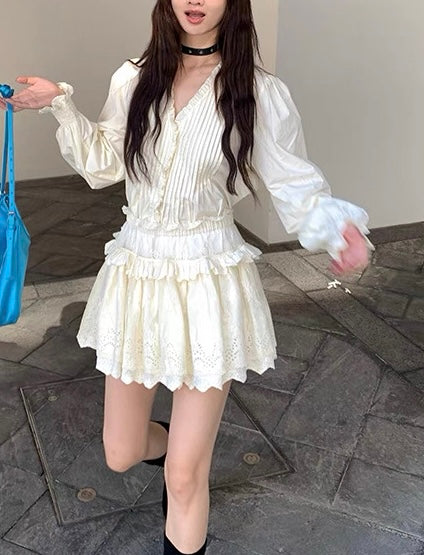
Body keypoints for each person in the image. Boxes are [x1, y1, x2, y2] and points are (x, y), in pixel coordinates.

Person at [1, 1, 373, 553]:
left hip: (207, 278)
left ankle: (184, 464)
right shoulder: (135, 78)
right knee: (121, 452)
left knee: (183, 477)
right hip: (138, 272)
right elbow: (105, 164)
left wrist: (338, 229)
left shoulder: (257, 91)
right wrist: (60, 103)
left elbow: (293, 181)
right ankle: (177, 443)